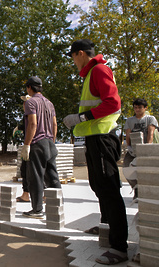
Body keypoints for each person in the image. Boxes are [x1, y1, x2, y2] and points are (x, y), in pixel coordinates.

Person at [64, 39, 128, 265]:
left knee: (109, 188)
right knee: (98, 185)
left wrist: (81, 118)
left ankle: (119, 247)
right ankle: (108, 226)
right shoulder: (91, 74)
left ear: (80, 53)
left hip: (103, 137)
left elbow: (113, 104)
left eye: (73, 57)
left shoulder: (99, 70)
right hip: (94, 138)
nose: (73, 62)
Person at [21, 76, 61, 218]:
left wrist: (26, 145)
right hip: (50, 142)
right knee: (53, 177)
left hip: (37, 143)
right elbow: (55, 124)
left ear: (29, 88)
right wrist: (52, 141)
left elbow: (32, 124)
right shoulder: (50, 103)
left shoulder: (30, 102)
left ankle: (37, 210)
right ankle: (58, 207)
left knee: (36, 177)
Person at [123, 98, 158, 199]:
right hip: (133, 150)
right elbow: (128, 135)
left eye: (139, 107)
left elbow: (150, 134)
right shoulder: (130, 120)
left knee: (148, 171)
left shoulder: (150, 119)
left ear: (145, 108)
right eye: (135, 108)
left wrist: (146, 148)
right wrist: (129, 147)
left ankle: (149, 192)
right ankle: (136, 188)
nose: (137, 109)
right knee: (126, 167)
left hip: (147, 149)